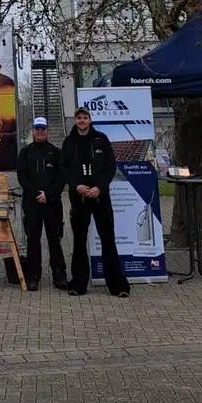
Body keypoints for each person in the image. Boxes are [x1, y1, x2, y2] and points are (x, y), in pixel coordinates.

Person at [60, 107, 130, 298]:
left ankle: (118, 286)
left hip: (100, 196)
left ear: (90, 120)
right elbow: (63, 168)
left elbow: (110, 166)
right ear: (75, 120)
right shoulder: (69, 142)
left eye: (85, 118)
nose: (82, 121)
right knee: (79, 242)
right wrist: (75, 186)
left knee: (108, 240)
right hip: (79, 197)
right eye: (79, 118)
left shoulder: (101, 139)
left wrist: (100, 186)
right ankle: (78, 284)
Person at [16, 116, 67, 291]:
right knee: (33, 241)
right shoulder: (25, 152)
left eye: (42, 129)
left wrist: (49, 194)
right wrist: (36, 194)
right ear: (33, 131)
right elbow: (22, 176)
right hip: (32, 204)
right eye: (37, 129)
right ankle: (33, 277)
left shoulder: (56, 152)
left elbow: (62, 178)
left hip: (52, 203)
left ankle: (59, 276)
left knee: (55, 240)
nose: (40, 131)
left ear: (47, 131)